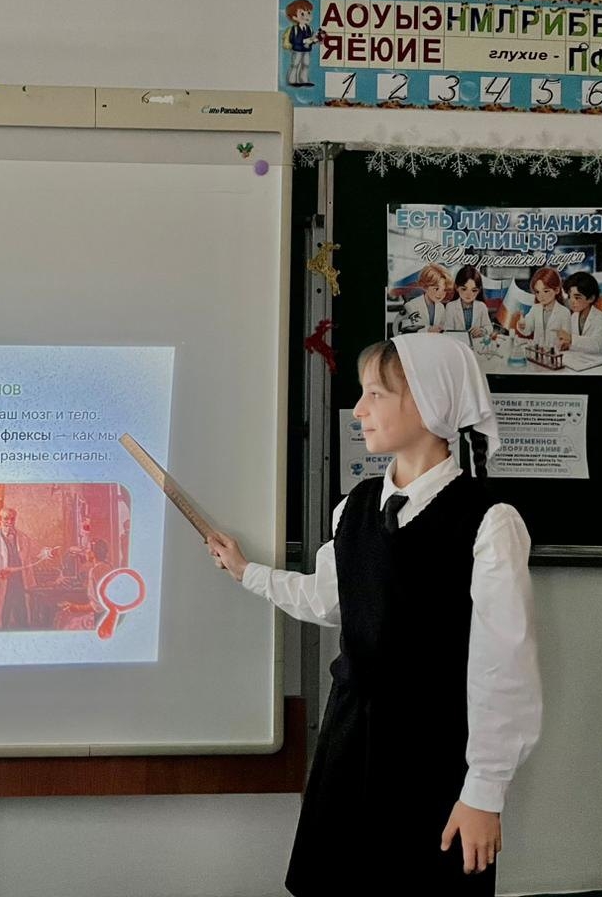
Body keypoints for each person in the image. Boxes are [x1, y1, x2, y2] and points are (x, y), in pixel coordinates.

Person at [207, 335, 541, 892]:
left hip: (430, 751)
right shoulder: (354, 507)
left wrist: (484, 791)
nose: (359, 409)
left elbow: (504, 666)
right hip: (349, 738)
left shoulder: (489, 520)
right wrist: (248, 573)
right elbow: (330, 599)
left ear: (429, 402)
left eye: (376, 394)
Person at [0, 506, 54, 629]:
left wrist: (50, 552)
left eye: (12, 519)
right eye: (6, 519)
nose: (9, 522)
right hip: (2, 582)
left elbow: (37, 551)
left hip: (20, 583)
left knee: (22, 616)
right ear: (0, 519)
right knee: (3, 616)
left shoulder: (23, 538)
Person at [556, 271, 602, 357]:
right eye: (569, 296)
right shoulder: (574, 316)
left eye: (577, 297)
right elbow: (579, 345)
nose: (571, 301)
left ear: (591, 298)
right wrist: (567, 345)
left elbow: (597, 346)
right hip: (583, 360)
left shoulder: (601, 318)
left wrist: (570, 338)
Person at [515, 267, 569, 348]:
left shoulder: (564, 312)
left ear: (557, 290)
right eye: (537, 292)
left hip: (555, 352)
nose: (541, 296)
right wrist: (523, 325)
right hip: (537, 351)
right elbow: (527, 330)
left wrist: (563, 343)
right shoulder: (535, 309)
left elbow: (567, 338)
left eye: (546, 291)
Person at [396, 263, 452, 335]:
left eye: (444, 290)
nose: (440, 294)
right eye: (436, 289)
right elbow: (405, 329)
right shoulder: (411, 305)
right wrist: (428, 330)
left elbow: (443, 326)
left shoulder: (441, 307)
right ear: (425, 287)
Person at [443, 265, 494, 340]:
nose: (468, 294)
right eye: (464, 289)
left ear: (479, 290)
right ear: (457, 287)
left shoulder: (481, 306)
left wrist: (483, 330)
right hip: (458, 344)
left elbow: (489, 327)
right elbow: (447, 330)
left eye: (474, 290)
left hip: (477, 344)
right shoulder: (450, 306)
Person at [282, 0, 317, 88]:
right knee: (295, 65)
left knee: (306, 65)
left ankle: (304, 80)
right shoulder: (294, 29)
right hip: (297, 50)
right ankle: (292, 80)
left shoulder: (309, 29)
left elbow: (311, 40)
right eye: (302, 14)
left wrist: (314, 40)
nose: (307, 16)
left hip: (306, 51)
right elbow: (293, 40)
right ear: (294, 17)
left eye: (308, 13)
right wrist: (305, 41)